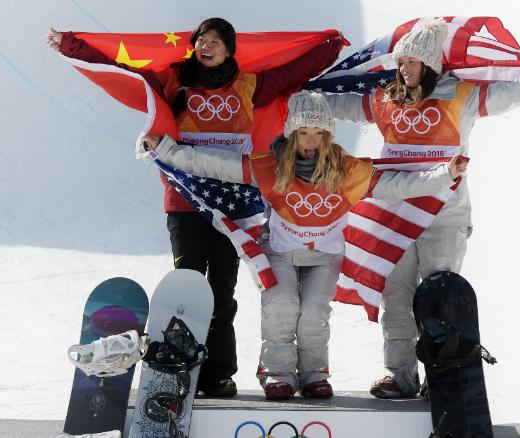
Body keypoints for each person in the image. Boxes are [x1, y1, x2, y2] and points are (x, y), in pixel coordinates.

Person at [47, 18, 344, 397]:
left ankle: (218, 373)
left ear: (229, 49)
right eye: (201, 39)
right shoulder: (174, 80)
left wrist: (329, 48)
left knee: (222, 286)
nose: (207, 46)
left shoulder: (250, 84)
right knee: (187, 282)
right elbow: (125, 74)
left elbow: (291, 74)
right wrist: (76, 47)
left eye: (215, 41)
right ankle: (179, 365)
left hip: (231, 203)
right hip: (185, 199)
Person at [141, 90, 468, 400]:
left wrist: (444, 174)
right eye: (303, 133)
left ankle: (313, 375)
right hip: (280, 252)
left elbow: (399, 185)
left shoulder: (346, 170)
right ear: (291, 134)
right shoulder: (271, 165)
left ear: (328, 136)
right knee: (281, 306)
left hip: (324, 256)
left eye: (318, 133)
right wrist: (167, 150)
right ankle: (278, 373)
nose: (310, 141)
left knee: (313, 313)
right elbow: (215, 164)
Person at [325, 18, 520, 399]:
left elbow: (513, 94)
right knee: (396, 298)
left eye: (412, 63)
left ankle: (441, 375)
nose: (404, 69)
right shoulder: (387, 98)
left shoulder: (459, 96)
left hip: (443, 215)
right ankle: (400, 377)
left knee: (437, 297)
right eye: (401, 62)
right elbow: (343, 106)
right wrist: (303, 97)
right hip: (392, 212)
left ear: (430, 64)